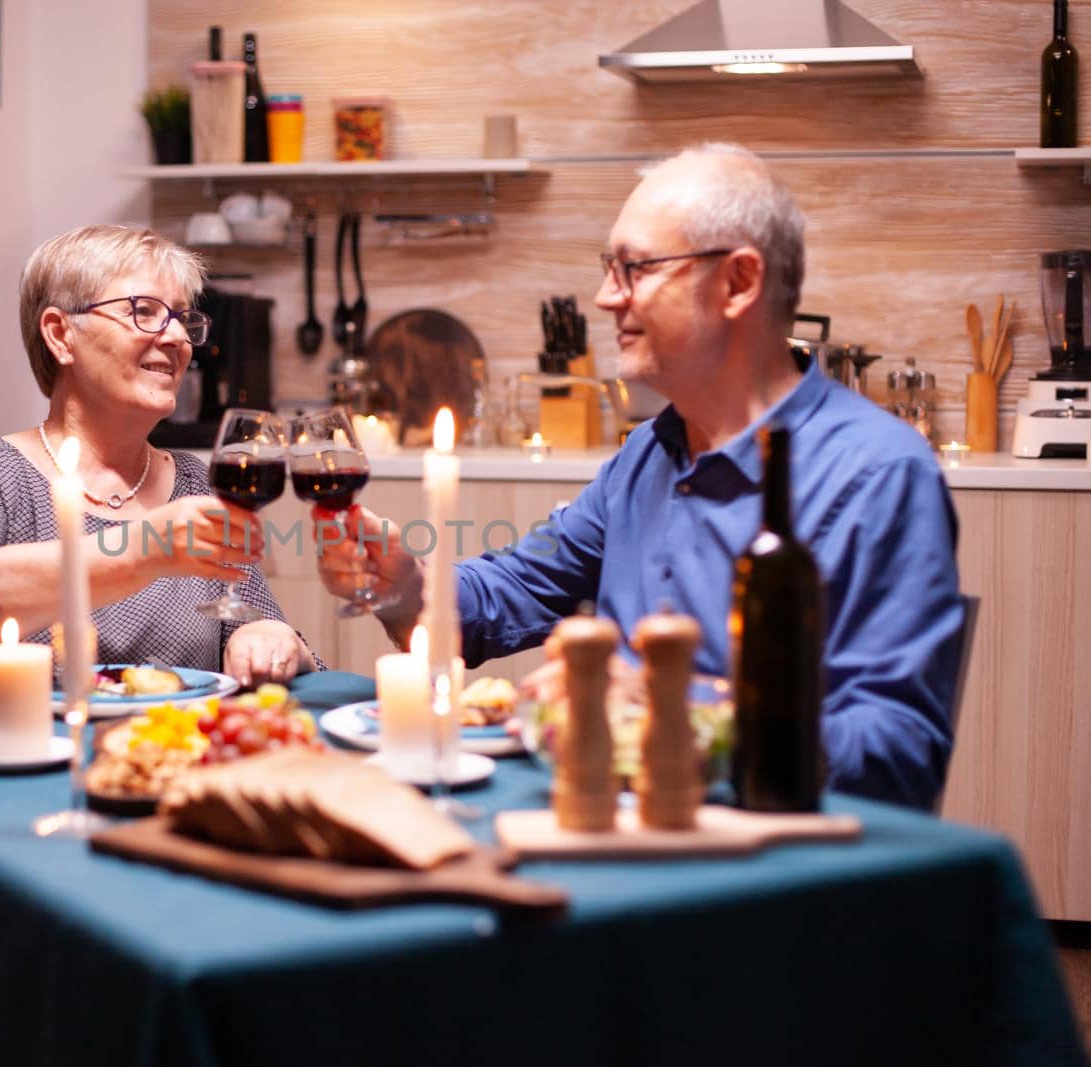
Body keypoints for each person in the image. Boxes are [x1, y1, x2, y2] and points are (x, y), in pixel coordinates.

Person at [318, 144, 963, 810]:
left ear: (739, 282)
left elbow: (898, 752)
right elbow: (518, 584)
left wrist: (679, 709)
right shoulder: (650, 454)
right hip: (608, 821)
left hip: (766, 869)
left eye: (634, 268)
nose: (604, 297)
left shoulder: (877, 474)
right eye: (609, 268)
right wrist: (404, 586)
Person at [0, 225, 316, 698]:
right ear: (61, 335)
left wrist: (272, 640)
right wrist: (144, 550)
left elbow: (262, 631)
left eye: (182, 319)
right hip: (22, 758)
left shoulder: (195, 484)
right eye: (144, 312)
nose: (179, 338)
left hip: (162, 758)